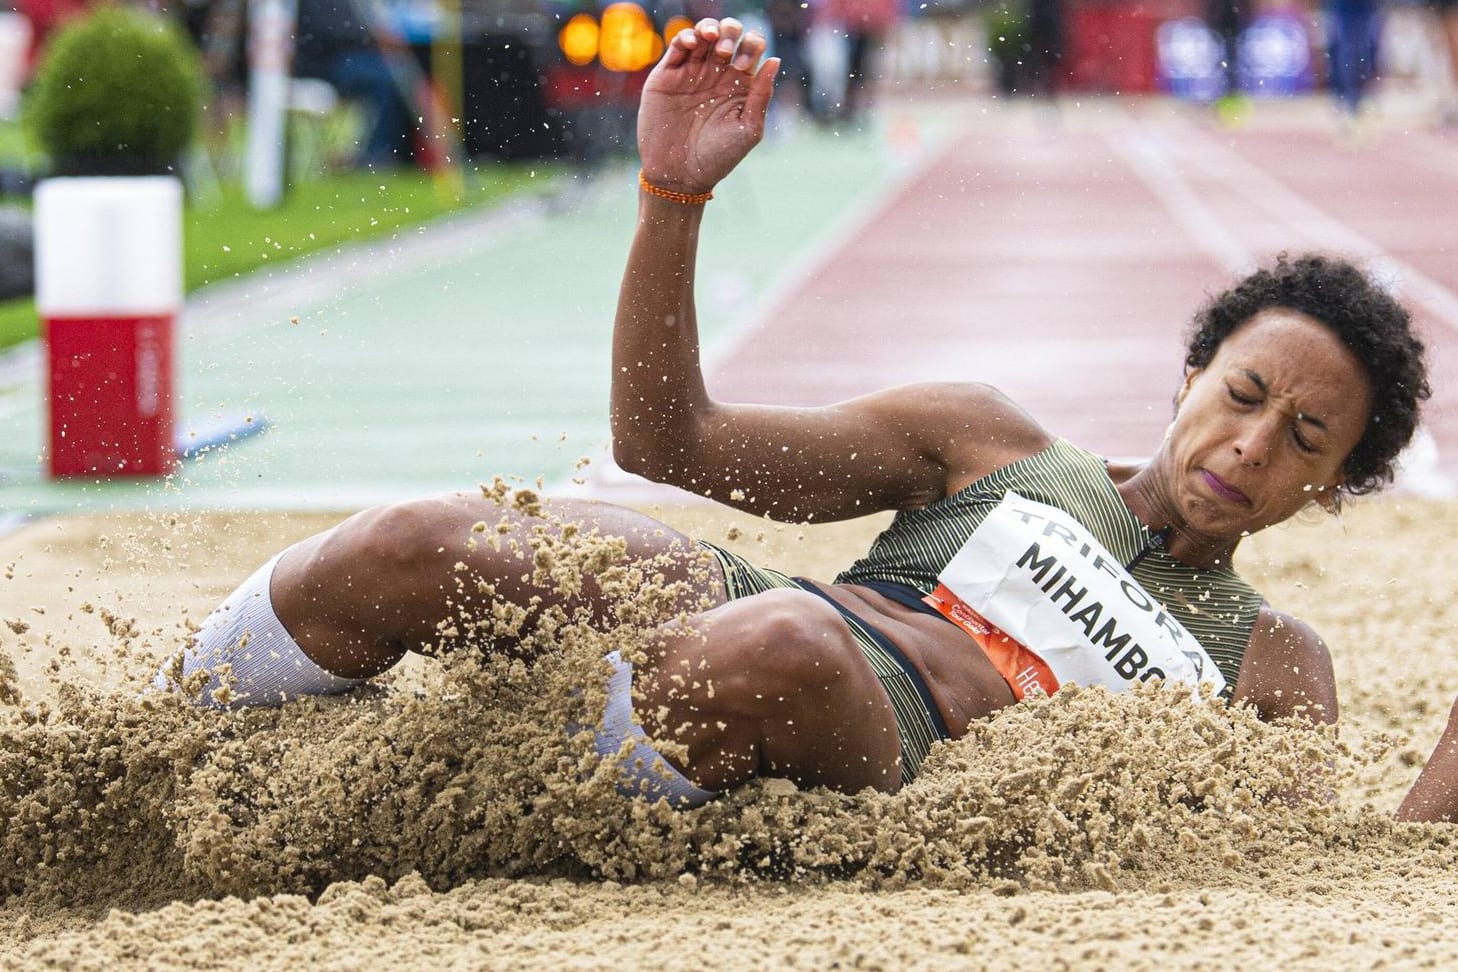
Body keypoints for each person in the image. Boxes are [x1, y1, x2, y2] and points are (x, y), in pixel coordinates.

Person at [153, 17, 1431, 808]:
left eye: (1305, 442)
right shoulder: (991, 439)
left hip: (865, 722)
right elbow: (672, 446)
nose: (1252, 445)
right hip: (762, 601)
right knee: (424, 541)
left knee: (784, 651)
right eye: (1244, 396)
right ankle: (149, 752)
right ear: (1192, 374)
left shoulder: (1275, 666)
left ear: (1332, 488)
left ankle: (504, 797)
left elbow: (1318, 864)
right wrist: (671, 198)